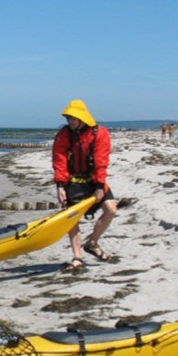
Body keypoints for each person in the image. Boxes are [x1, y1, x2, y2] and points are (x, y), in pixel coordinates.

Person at [52, 99, 117, 272]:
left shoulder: (100, 133)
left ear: (82, 117)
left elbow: (101, 160)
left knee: (110, 209)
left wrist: (99, 185)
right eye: (68, 119)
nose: (70, 122)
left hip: (93, 180)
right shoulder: (64, 134)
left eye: (73, 118)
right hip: (72, 181)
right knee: (71, 218)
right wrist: (60, 185)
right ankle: (77, 257)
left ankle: (92, 243)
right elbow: (59, 159)